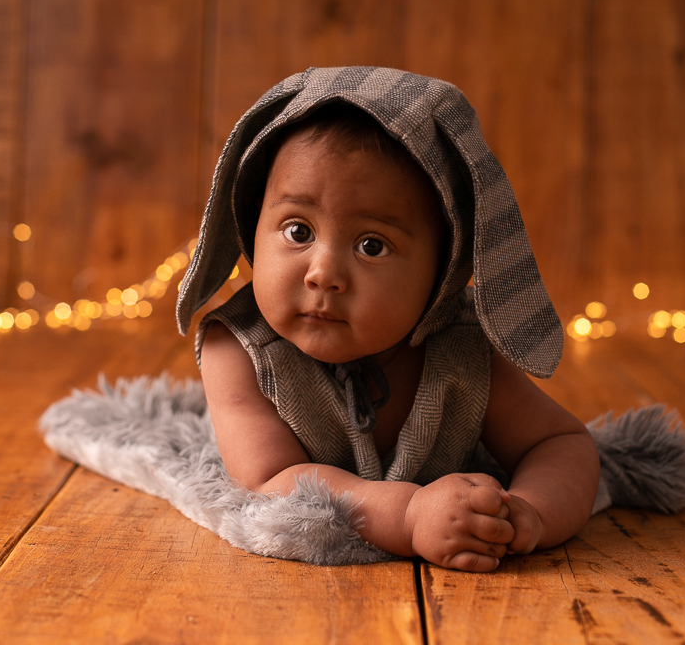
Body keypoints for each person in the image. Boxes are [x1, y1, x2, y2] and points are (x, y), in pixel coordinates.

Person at [177, 67, 599, 572]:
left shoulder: (459, 349)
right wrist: (409, 514)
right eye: (297, 231)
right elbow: (271, 482)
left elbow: (562, 443)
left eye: (371, 245)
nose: (324, 273)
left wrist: (530, 511)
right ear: (252, 222)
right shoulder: (239, 349)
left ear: (445, 268)